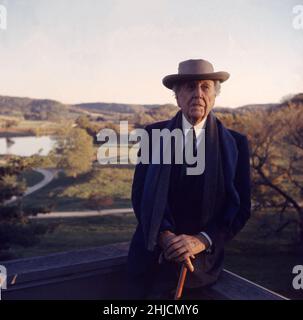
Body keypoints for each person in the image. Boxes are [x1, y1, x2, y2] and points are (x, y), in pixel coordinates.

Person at [126, 59, 251, 299]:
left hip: (200, 268)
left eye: (205, 87)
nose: (198, 94)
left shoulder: (235, 144)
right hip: (150, 261)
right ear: (177, 95)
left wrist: (201, 241)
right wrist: (164, 237)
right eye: (189, 87)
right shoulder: (153, 135)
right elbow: (140, 196)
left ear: (215, 94)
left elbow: (240, 208)